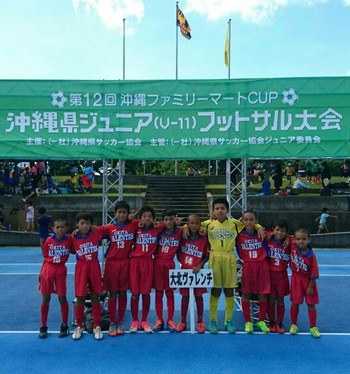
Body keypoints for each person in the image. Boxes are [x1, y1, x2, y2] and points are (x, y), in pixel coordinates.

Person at [198, 198, 264, 334]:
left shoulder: (235, 224)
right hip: (214, 257)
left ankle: (228, 320)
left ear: (227, 210)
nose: (220, 211)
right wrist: (186, 227)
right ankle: (213, 320)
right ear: (213, 211)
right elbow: (190, 225)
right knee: (215, 289)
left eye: (222, 208)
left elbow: (249, 224)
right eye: (217, 209)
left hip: (229, 257)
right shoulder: (207, 224)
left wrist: (259, 227)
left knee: (229, 289)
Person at [102, 201, 140, 336]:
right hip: (111, 263)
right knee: (112, 293)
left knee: (123, 292)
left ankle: (120, 321)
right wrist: (76, 232)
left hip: (125, 263)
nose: (122, 214)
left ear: (128, 214)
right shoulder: (109, 228)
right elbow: (92, 231)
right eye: (119, 212)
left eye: (124, 212)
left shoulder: (134, 225)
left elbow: (150, 222)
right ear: (115, 214)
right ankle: (113, 321)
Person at [71, 212, 105, 340]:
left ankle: (97, 325)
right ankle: (79, 326)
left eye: (87, 223)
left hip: (94, 266)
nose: (85, 226)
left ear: (91, 224)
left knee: (95, 296)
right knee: (80, 297)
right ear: (77, 225)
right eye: (82, 223)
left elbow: (110, 228)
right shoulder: (72, 238)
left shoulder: (97, 232)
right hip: (81, 267)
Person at [38, 218, 75, 338]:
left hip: (60, 270)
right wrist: (41, 271)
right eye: (57, 227)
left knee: (62, 297)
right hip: (48, 270)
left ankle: (64, 324)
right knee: (45, 298)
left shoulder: (69, 239)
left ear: (67, 228)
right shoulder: (48, 240)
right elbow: (45, 257)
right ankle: (43, 325)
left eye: (62, 227)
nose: (60, 229)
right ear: (53, 229)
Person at [129, 206, 163, 333]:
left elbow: (170, 225)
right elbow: (124, 225)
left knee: (146, 293)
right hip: (135, 262)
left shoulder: (158, 229)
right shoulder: (135, 228)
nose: (147, 218)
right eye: (144, 216)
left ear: (154, 219)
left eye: (149, 216)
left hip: (148, 263)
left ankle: (144, 320)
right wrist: (130, 220)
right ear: (140, 218)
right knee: (134, 293)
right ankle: (134, 320)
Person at [236, 210, 271, 333]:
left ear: (256, 221)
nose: (249, 222)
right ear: (242, 222)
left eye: (252, 220)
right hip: (248, 266)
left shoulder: (262, 233)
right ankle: (248, 322)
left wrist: (288, 238)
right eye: (246, 219)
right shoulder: (238, 235)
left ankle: (261, 321)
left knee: (262, 294)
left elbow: (279, 234)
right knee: (246, 293)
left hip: (262, 266)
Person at [177, 214, 209, 333]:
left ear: (200, 224)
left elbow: (206, 256)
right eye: (191, 223)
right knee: (185, 296)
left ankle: (200, 321)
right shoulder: (182, 236)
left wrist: (199, 265)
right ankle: (183, 321)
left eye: (197, 223)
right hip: (185, 271)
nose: (194, 225)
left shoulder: (204, 239)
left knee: (198, 296)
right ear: (188, 224)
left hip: (198, 271)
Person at [153, 208, 182, 333]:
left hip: (170, 264)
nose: (168, 222)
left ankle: (170, 319)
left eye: (171, 219)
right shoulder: (159, 230)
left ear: (175, 219)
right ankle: (159, 319)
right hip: (158, 264)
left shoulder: (181, 231)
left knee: (170, 293)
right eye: (166, 219)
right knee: (159, 293)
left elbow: (194, 227)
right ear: (162, 221)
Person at [289, 228, 320, 338]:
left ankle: (313, 327)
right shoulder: (292, 247)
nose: (301, 241)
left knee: (311, 304)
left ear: (309, 240)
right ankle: (293, 325)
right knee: (295, 303)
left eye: (303, 239)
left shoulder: (311, 256)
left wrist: (310, 286)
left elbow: (314, 272)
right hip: (296, 280)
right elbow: (280, 234)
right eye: (298, 239)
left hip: (308, 282)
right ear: (294, 240)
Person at [266, 220, 290, 333]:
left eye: (283, 231)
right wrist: (270, 234)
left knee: (280, 299)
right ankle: (271, 321)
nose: (280, 233)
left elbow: (300, 238)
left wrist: (288, 238)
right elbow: (259, 229)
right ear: (273, 230)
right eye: (277, 230)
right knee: (271, 299)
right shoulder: (268, 240)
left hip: (282, 275)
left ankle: (279, 322)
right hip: (270, 274)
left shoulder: (289, 243)